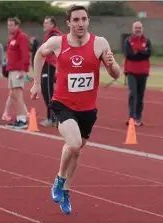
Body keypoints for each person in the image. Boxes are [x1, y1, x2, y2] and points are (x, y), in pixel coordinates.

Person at [30, 5, 121, 215]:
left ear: (88, 21)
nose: (80, 23)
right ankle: (59, 179)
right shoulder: (57, 42)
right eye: (76, 20)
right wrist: (36, 83)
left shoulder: (100, 43)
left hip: (88, 109)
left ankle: (66, 190)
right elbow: (39, 55)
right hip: (63, 104)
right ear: (69, 23)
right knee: (74, 143)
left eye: (84, 19)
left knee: (76, 150)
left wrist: (112, 64)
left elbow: (115, 74)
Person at [123, 21, 151, 126]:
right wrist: (141, 52)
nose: (138, 30)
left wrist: (138, 52)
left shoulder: (147, 41)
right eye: (136, 28)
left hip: (143, 72)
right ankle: (132, 117)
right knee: (133, 94)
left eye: (139, 28)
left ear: (142, 29)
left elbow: (148, 53)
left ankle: (138, 118)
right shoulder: (128, 41)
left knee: (140, 96)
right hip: (131, 72)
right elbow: (129, 55)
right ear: (132, 29)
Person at [5, 17, 30, 129]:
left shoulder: (22, 37)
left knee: (18, 95)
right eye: (8, 25)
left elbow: (25, 54)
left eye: (11, 25)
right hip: (11, 70)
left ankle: (22, 119)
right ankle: (20, 118)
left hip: (18, 70)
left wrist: (23, 70)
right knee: (15, 95)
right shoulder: (11, 38)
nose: (9, 27)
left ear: (17, 26)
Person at [39, 16, 61, 127]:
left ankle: (53, 118)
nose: (44, 24)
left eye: (47, 23)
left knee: (48, 92)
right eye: (44, 22)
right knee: (46, 91)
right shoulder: (49, 35)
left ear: (52, 25)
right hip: (46, 65)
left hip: (49, 65)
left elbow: (53, 49)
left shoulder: (54, 35)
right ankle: (53, 117)